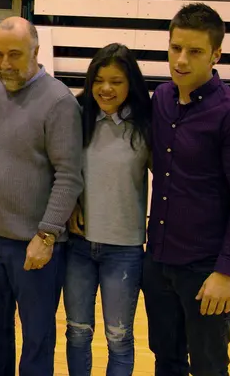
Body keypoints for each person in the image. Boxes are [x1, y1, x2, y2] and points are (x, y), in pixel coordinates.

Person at [143, 3, 230, 376]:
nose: (181, 60)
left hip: (207, 271)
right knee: (166, 361)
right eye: (175, 48)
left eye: (195, 51)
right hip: (160, 262)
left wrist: (226, 271)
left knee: (209, 368)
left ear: (216, 54)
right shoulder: (161, 99)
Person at [0, 16, 83, 376]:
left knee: (36, 339)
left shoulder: (59, 101)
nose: (5, 64)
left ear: (36, 51)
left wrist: (47, 233)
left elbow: (69, 177)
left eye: (15, 55)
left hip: (34, 245)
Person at [64, 43, 151, 376]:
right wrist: (71, 203)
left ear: (130, 84)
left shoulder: (145, 124)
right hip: (78, 247)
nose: (106, 88)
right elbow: (62, 169)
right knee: (77, 333)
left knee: (119, 338)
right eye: (99, 80)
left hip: (125, 249)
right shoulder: (78, 116)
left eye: (116, 81)